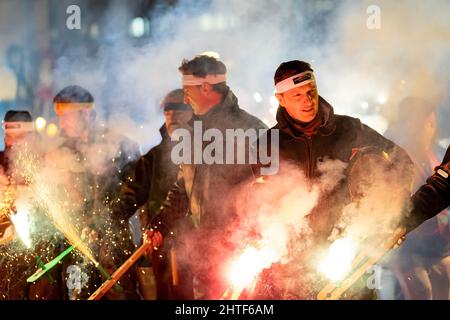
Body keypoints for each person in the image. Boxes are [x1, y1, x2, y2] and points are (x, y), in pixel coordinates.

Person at [250, 60, 413, 299]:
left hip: (347, 261)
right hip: (290, 271)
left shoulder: (349, 129)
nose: (307, 101)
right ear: (281, 98)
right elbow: (256, 203)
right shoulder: (267, 144)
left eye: (311, 91)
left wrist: (390, 210)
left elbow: (402, 162)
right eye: (296, 95)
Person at [145, 55, 268, 299]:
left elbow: (273, 190)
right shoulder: (191, 133)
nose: (184, 95)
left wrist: (254, 239)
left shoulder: (253, 130)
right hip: (204, 253)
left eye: (186, 88)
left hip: (241, 254)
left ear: (205, 87)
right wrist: (160, 222)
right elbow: (184, 187)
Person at [50, 85, 140, 299]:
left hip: (113, 240)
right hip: (78, 240)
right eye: (59, 117)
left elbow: (133, 190)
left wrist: (103, 220)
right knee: (79, 294)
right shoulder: (62, 150)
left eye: (67, 116)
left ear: (86, 113)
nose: (62, 123)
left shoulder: (118, 144)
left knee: (119, 294)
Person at [112, 88, 193, 299]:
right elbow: (129, 195)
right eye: (168, 112)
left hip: (197, 245)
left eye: (179, 111)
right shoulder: (154, 158)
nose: (173, 117)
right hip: (161, 245)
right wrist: (106, 219)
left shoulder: (205, 151)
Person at [384, 97, 450, 300]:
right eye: (425, 122)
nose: (430, 127)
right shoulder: (393, 156)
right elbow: (440, 189)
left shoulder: (436, 153)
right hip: (407, 250)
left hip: (438, 244)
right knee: (422, 293)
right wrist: (400, 225)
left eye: (431, 122)